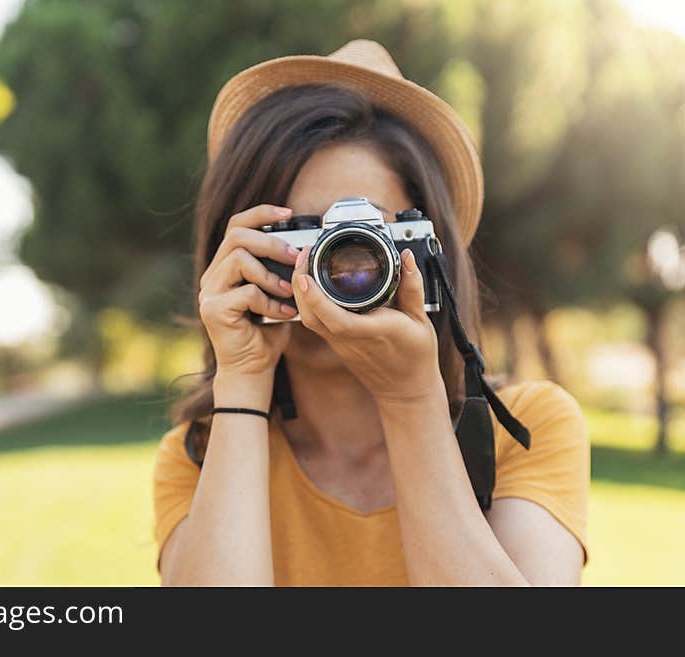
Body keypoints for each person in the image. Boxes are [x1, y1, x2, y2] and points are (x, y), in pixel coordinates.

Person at [153, 40, 589, 586]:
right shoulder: (199, 458)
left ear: (428, 254)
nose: (330, 267)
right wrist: (242, 383)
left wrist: (410, 398)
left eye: (362, 237)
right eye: (298, 237)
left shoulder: (526, 431)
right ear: (236, 252)